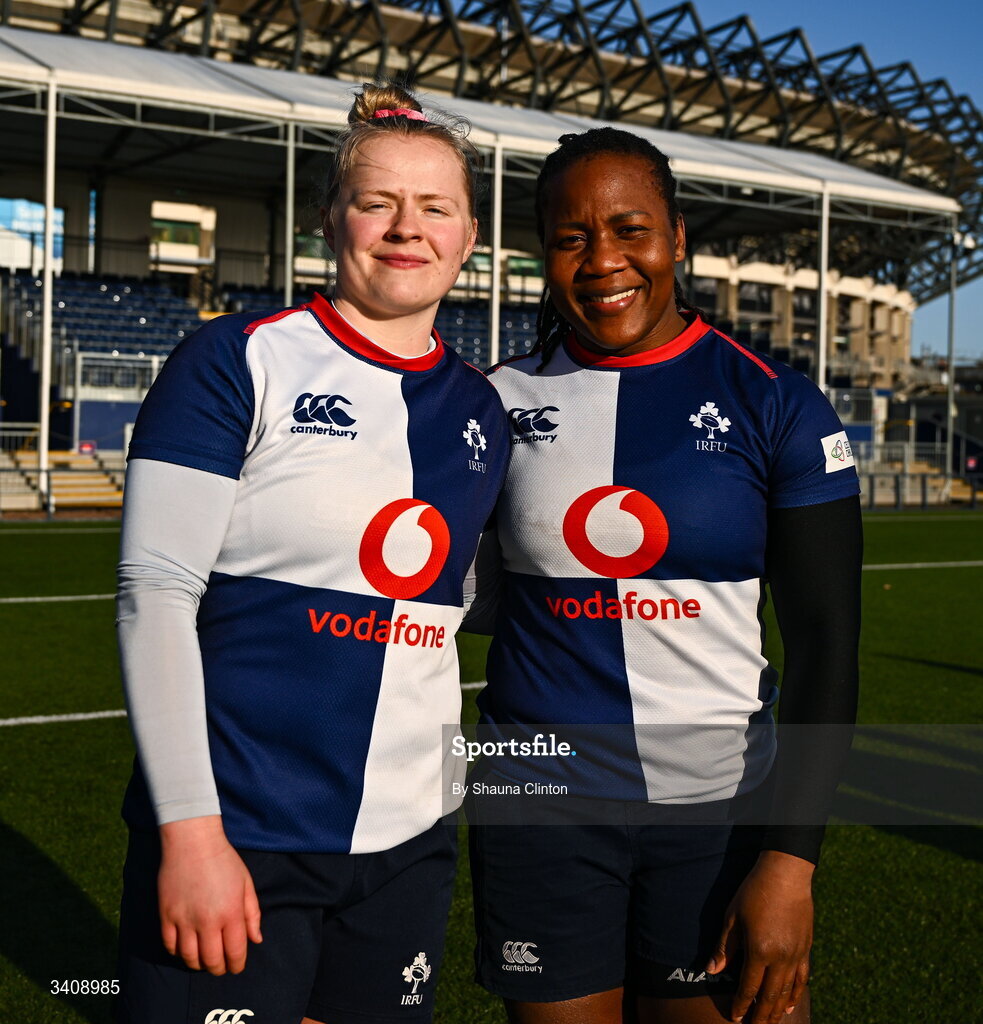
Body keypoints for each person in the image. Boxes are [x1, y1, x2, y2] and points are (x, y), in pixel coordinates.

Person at [114, 83, 509, 1024]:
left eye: (434, 207)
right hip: (242, 834)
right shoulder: (237, 359)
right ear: (330, 217)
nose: (405, 227)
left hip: (408, 846)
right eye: (377, 201)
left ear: (470, 235)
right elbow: (155, 592)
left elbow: (456, 603)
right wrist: (192, 836)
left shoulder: (482, 411)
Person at [465, 127, 861, 1024]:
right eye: (572, 237)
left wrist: (789, 861)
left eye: (629, 229)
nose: (603, 259)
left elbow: (828, 645)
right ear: (542, 255)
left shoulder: (774, 401)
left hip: (720, 814)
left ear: (676, 237)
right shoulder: (492, 403)